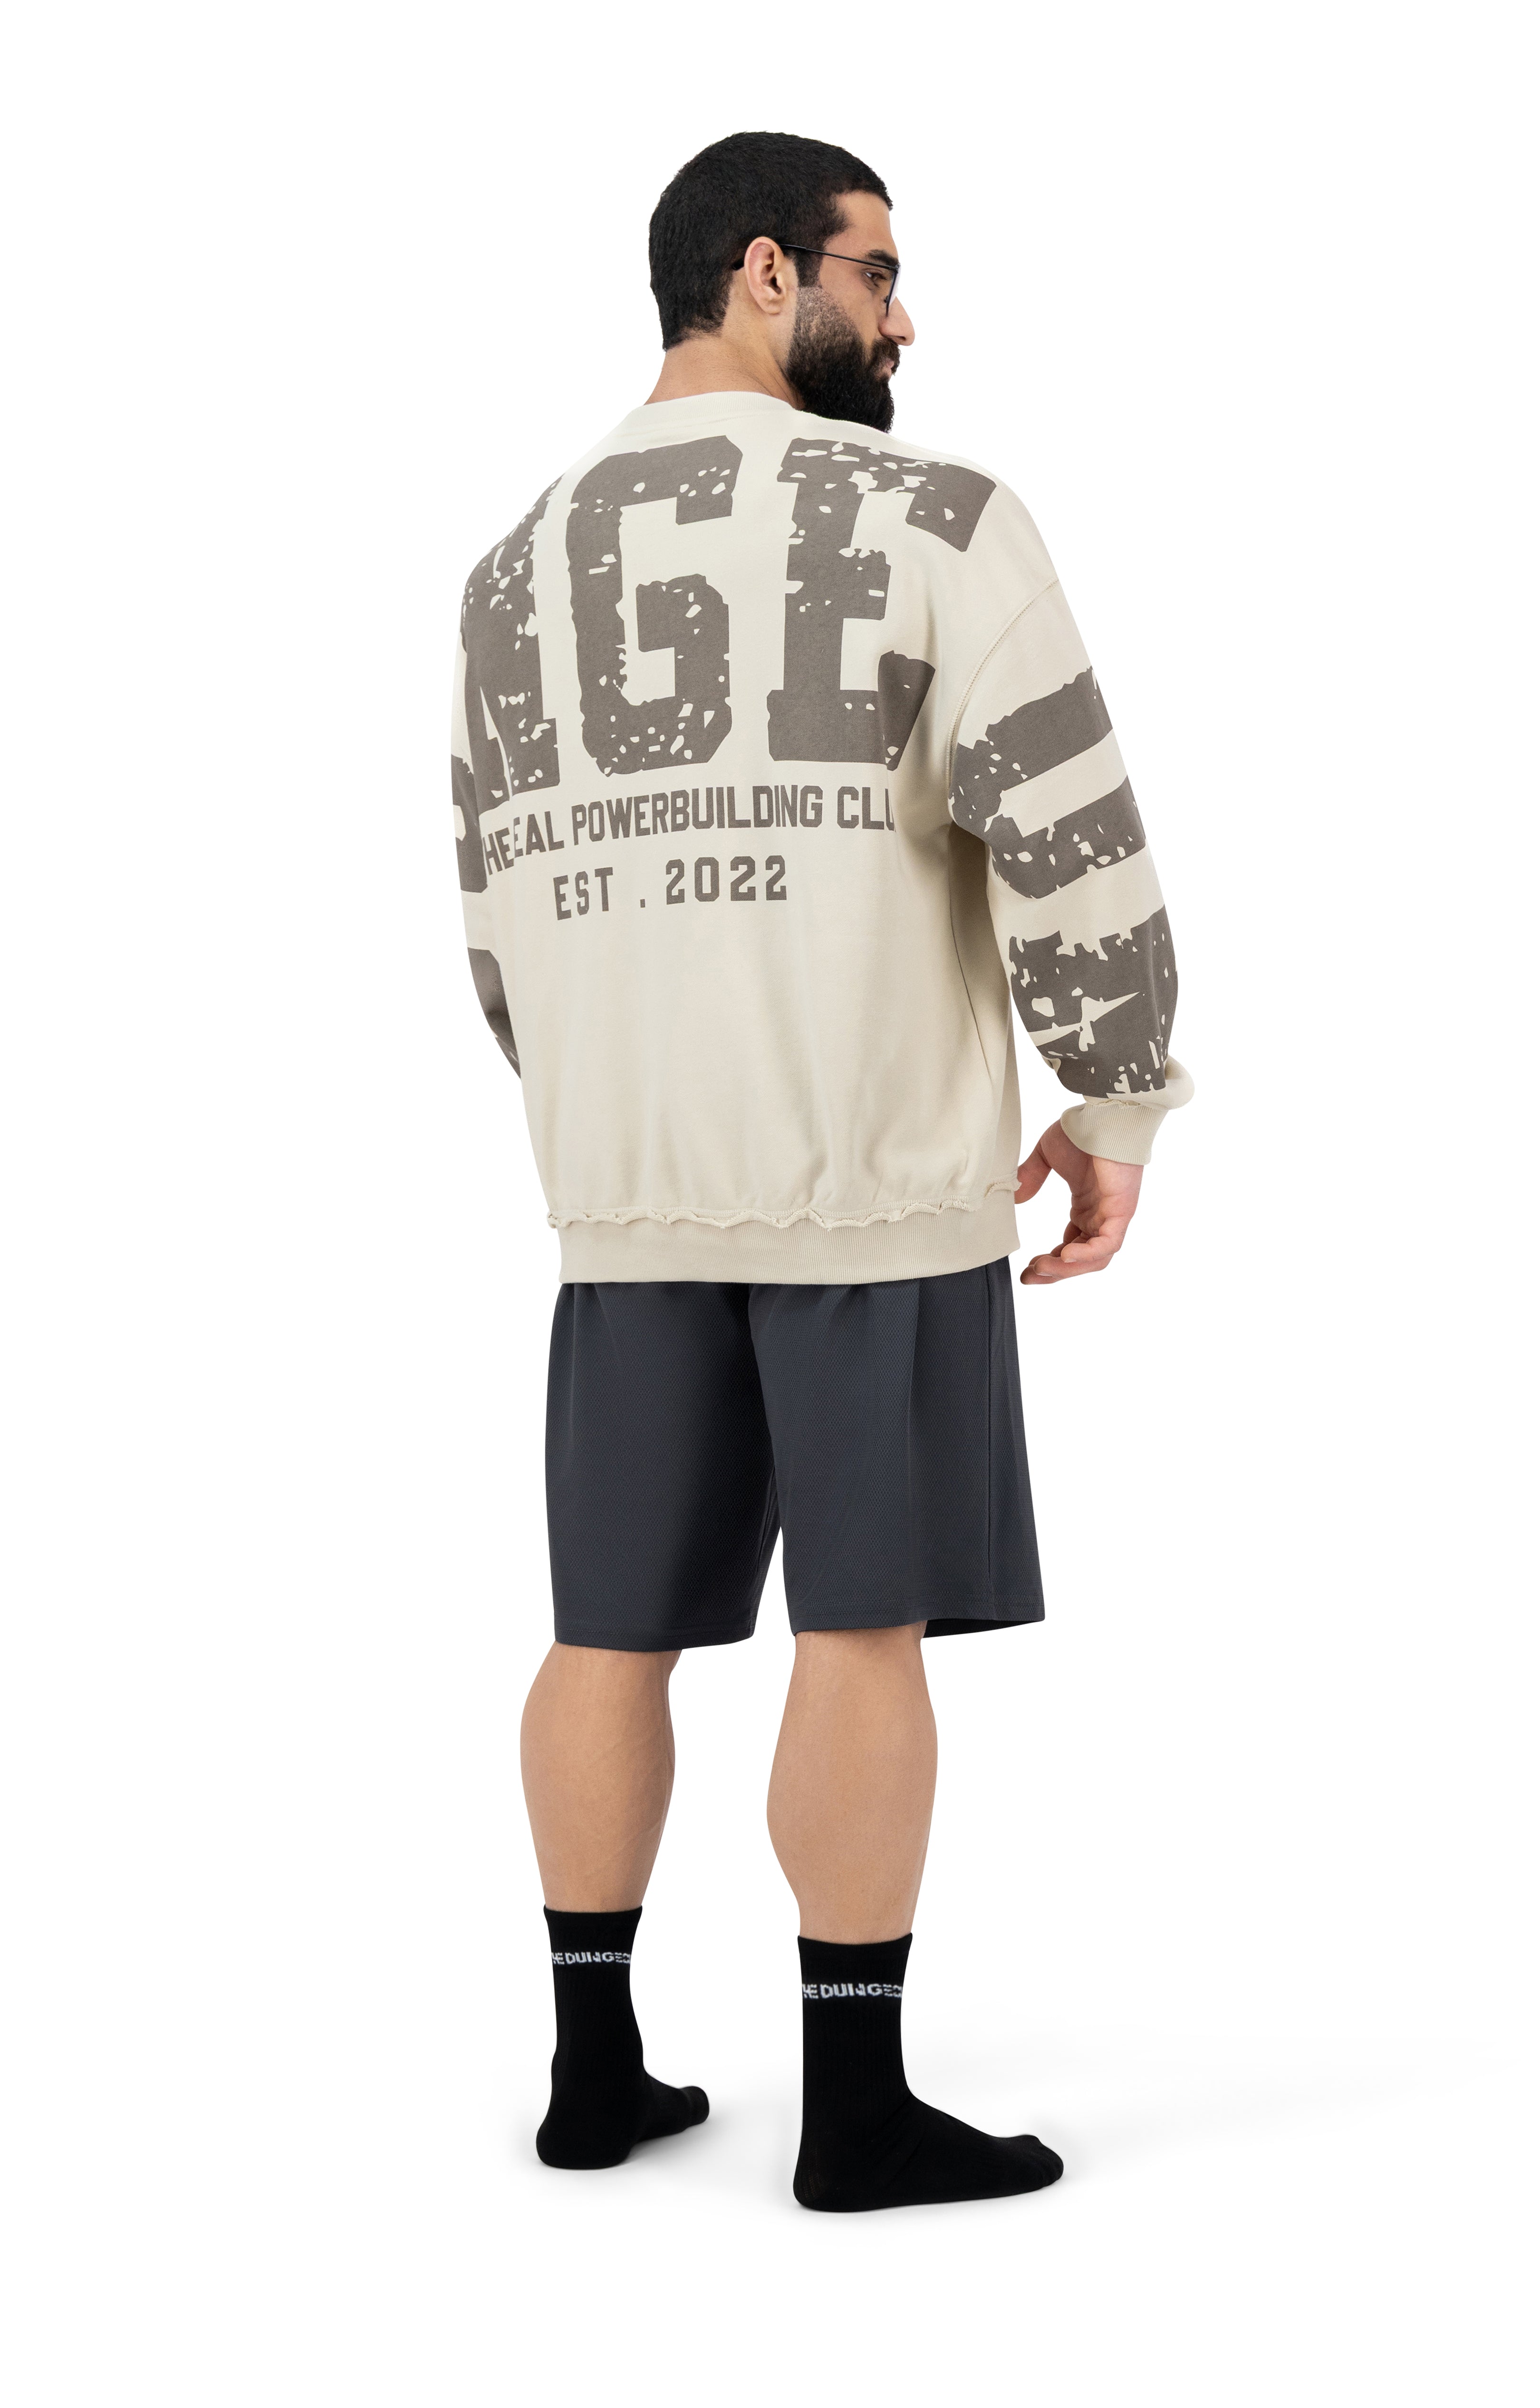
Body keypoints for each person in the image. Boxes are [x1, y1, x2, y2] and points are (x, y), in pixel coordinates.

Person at [449, 131, 1191, 2212]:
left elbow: (491, 916)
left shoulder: (509, 572)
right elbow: (1070, 824)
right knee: (861, 1627)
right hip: (866, 1172)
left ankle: (593, 2074)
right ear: (768, 271)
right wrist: (1116, 1096)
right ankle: (855, 2112)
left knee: (609, 1628)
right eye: (881, 272)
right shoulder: (937, 518)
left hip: (624, 1191)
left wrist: (599, 1117)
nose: (907, 316)